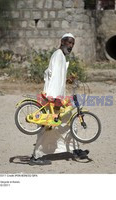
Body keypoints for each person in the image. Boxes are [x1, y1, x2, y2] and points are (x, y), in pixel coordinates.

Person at [29, 33, 89, 166]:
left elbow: (55, 75)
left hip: (57, 98)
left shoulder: (61, 56)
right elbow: (54, 78)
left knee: (68, 123)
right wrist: (55, 99)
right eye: (69, 43)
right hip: (52, 98)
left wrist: (67, 80)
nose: (71, 46)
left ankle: (74, 149)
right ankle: (35, 156)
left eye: (73, 43)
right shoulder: (58, 55)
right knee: (46, 128)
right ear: (62, 42)